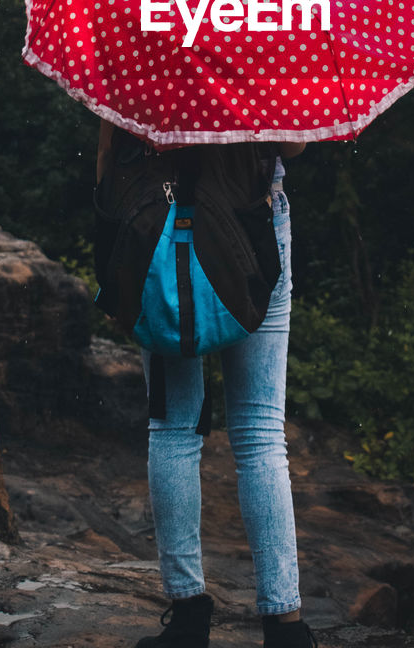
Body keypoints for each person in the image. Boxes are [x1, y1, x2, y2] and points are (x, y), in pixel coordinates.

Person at [96, 121, 316, 648]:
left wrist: (111, 249)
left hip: (153, 224)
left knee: (172, 428)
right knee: (261, 433)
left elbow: (109, 141)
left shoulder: (136, 35)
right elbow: (293, 142)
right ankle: (284, 625)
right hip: (251, 221)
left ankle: (189, 618)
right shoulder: (262, 34)